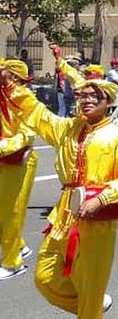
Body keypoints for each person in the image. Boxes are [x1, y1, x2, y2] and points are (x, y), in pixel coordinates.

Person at [5, 58, 118, 317]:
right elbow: (37, 113)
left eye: (95, 97)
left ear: (109, 102)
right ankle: (92, 307)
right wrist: (11, 86)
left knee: (90, 282)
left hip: (97, 220)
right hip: (64, 214)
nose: (87, 100)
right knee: (44, 277)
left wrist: (100, 200)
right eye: (83, 96)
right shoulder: (67, 129)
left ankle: (91, 307)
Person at [0, 60, 39, 281]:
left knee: (11, 212)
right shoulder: (2, 96)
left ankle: (13, 262)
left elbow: (27, 134)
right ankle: (19, 246)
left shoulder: (26, 99)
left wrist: (3, 147)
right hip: (3, 158)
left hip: (18, 160)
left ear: (14, 77)